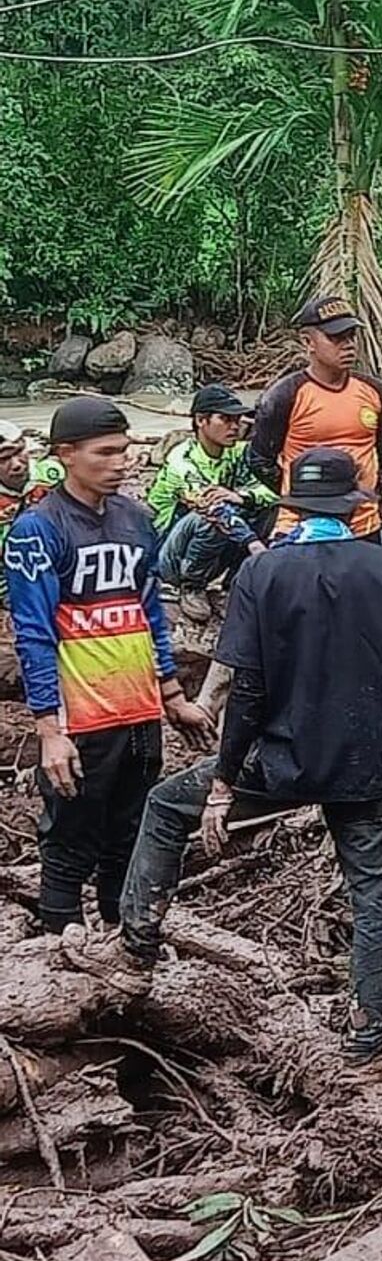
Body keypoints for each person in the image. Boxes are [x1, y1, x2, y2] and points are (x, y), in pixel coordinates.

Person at [119, 447, 382, 1081]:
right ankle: (372, 1044)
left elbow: (247, 687)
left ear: (294, 508)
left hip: (278, 761)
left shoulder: (261, 575)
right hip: (368, 763)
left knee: (168, 806)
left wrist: (224, 783)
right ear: (350, 507)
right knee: (372, 898)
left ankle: (136, 944)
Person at [2, 397, 214, 935]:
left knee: (130, 836)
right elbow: (33, 631)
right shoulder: (37, 529)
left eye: (124, 451)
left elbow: (150, 614)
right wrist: (49, 729)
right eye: (106, 452)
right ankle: (57, 957)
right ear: (67, 455)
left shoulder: (135, 519)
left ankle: (124, 949)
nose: (121, 463)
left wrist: (171, 695)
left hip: (138, 711)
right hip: (81, 716)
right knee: (70, 843)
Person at [248, 295, 382, 560]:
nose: (348, 345)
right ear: (309, 343)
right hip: (302, 525)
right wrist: (299, 493)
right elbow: (259, 459)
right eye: (336, 338)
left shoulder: (373, 391)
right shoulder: (285, 395)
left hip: (364, 522)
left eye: (351, 336)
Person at [151, 384, 277, 621]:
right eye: (225, 419)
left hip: (215, 551)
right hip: (170, 556)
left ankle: (234, 584)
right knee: (211, 516)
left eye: (237, 420)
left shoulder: (238, 454)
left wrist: (243, 497)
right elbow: (210, 507)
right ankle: (191, 587)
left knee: (266, 508)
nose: (235, 427)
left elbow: (273, 491)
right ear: (201, 420)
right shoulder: (182, 459)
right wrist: (253, 543)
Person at [0, 421, 63, 571]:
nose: (17, 465)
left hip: (58, 555)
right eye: (3, 459)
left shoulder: (53, 473)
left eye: (19, 452)